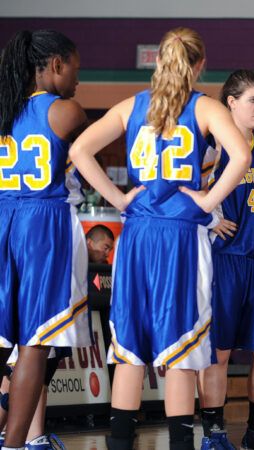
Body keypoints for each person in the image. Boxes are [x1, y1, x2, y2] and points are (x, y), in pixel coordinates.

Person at [69, 27, 251, 450]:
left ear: (159, 61)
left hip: (137, 236)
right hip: (180, 237)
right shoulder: (204, 107)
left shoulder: (132, 106)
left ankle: (117, 442)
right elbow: (241, 155)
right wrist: (208, 202)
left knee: (130, 349)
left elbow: (80, 150)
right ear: (200, 64)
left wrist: (116, 196)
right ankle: (180, 444)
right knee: (180, 349)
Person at [0, 29, 91, 450]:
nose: (77, 79)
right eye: (75, 68)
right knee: (36, 341)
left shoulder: (4, 108)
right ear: (55, 64)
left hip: (4, 216)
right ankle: (15, 443)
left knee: (4, 340)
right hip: (42, 223)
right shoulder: (65, 111)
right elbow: (89, 158)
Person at [197, 70, 254, 450]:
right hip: (225, 259)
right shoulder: (213, 144)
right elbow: (184, 189)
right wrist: (211, 219)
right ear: (230, 102)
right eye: (253, 100)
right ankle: (214, 434)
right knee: (218, 352)